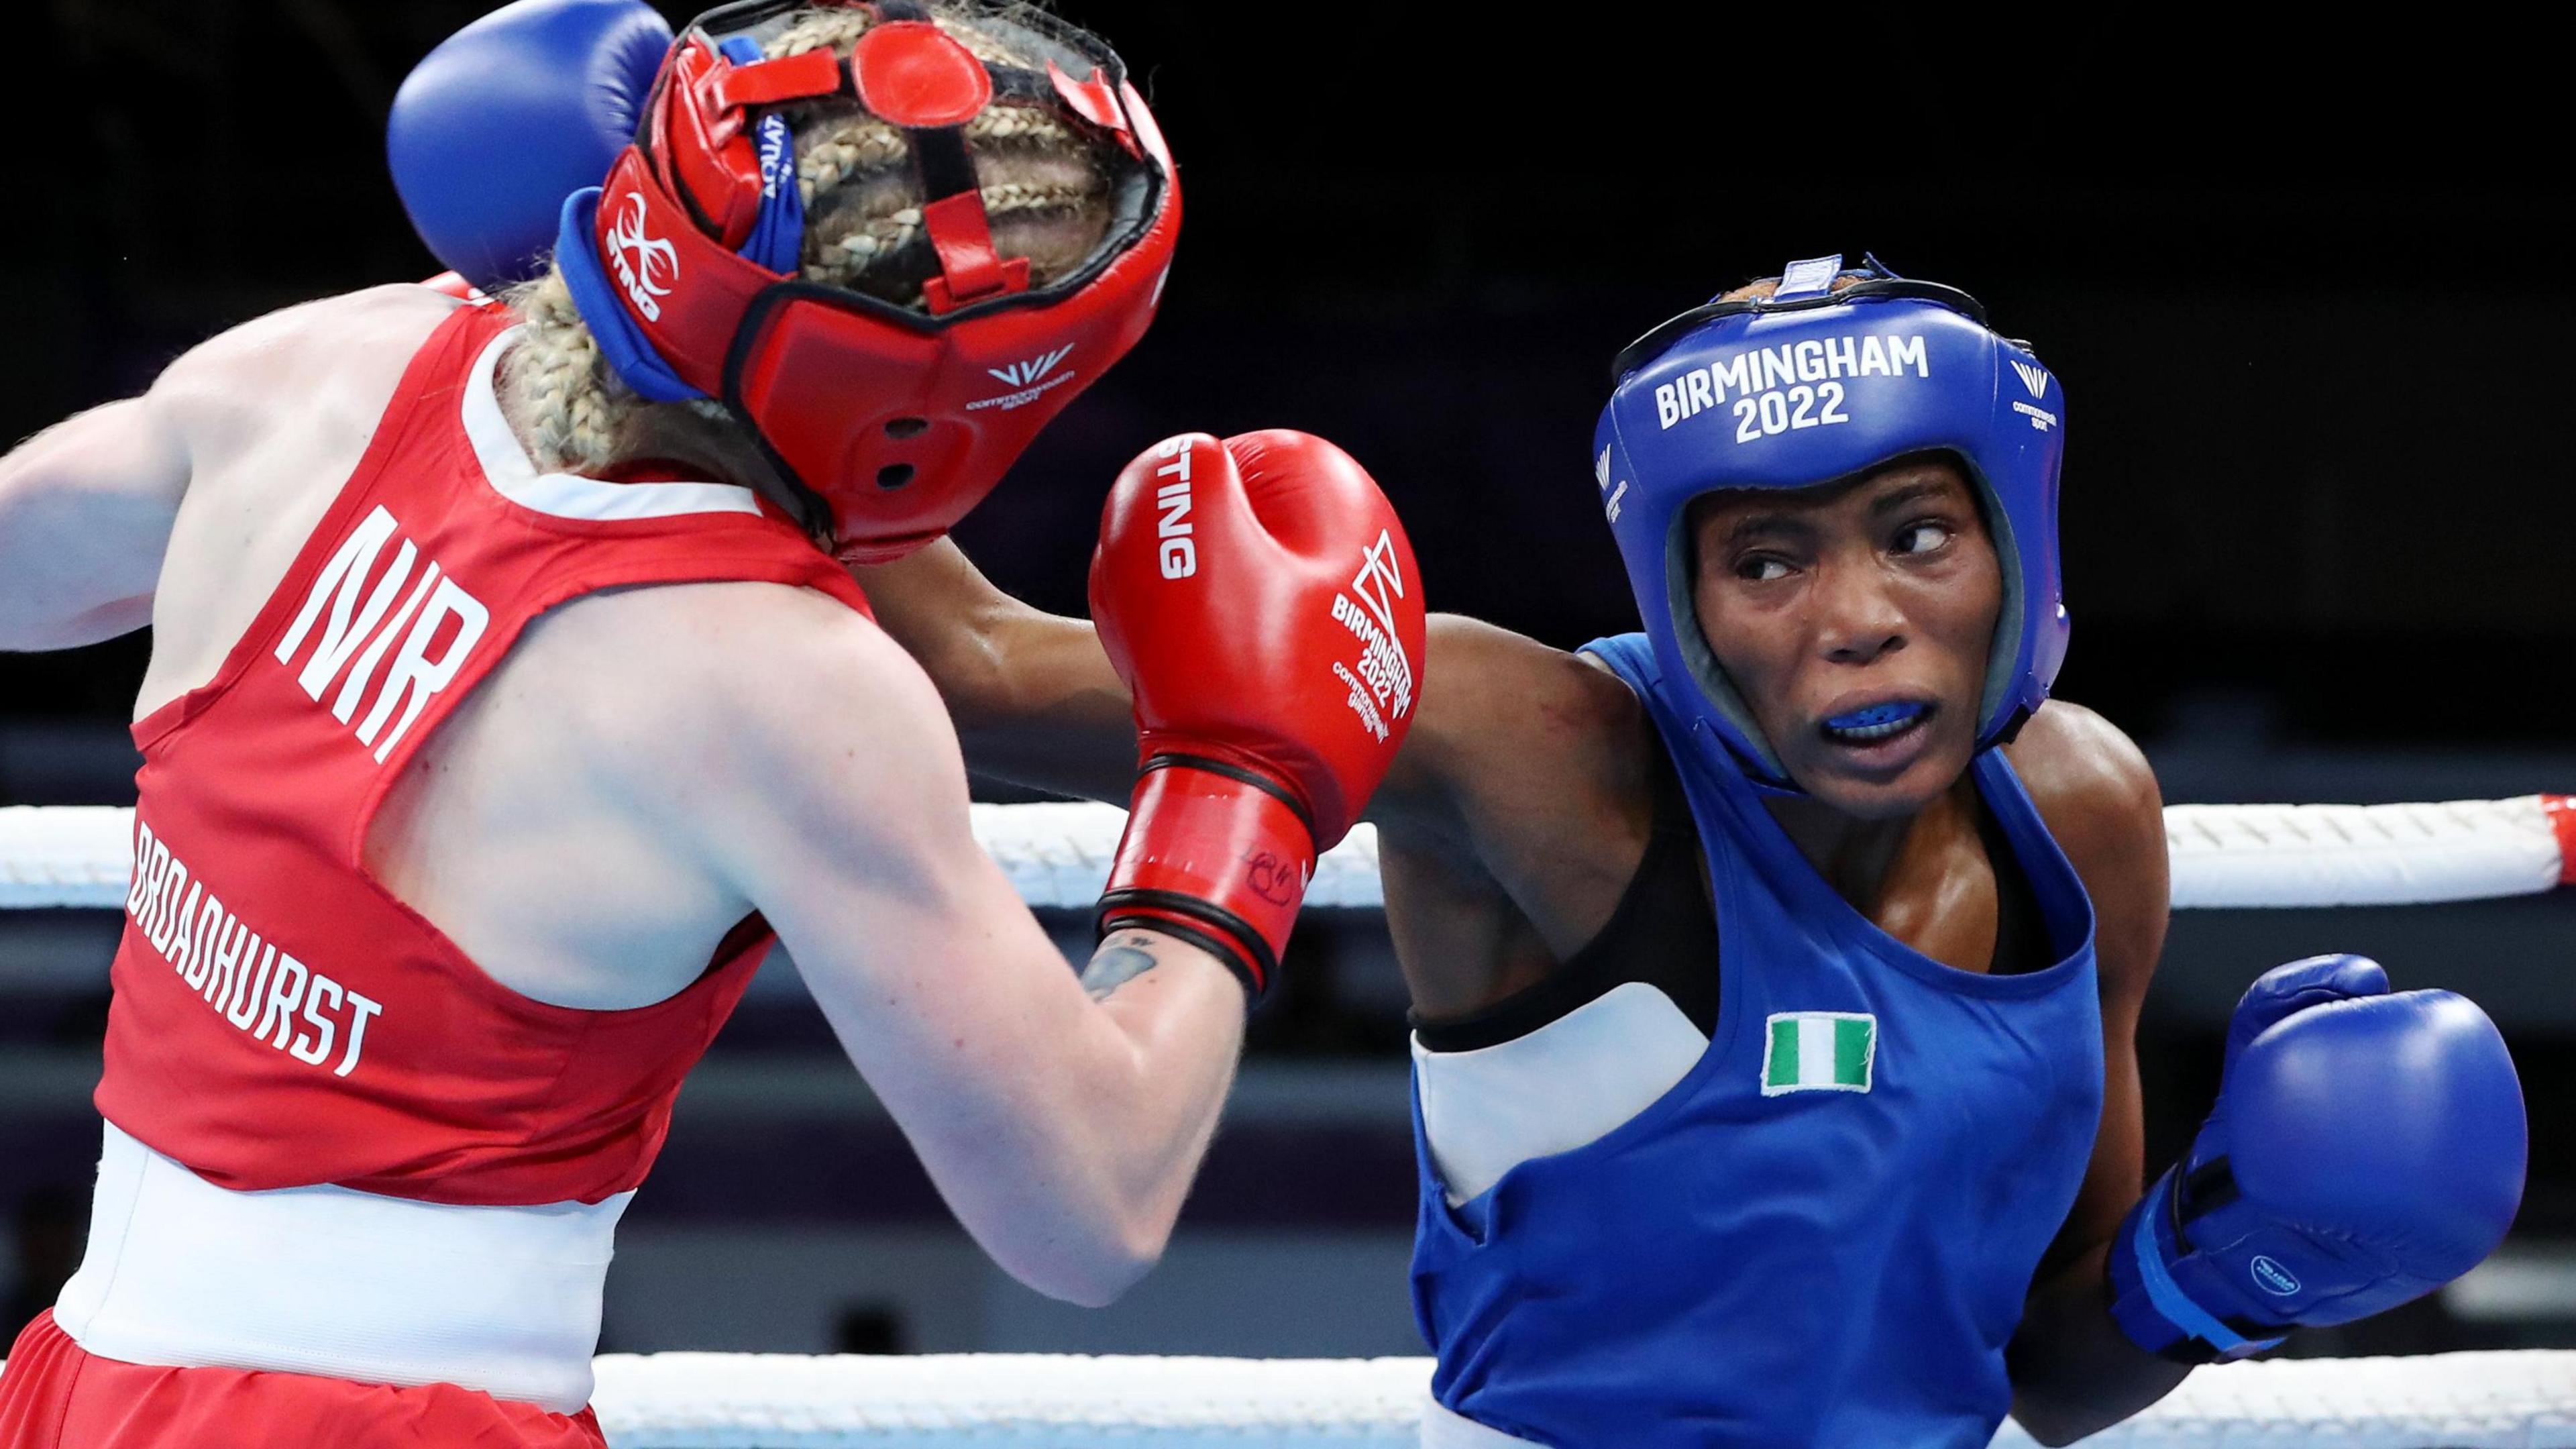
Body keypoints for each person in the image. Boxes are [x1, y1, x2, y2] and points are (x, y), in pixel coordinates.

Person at [0, 2, 1424, 1445]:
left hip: (80, 1385)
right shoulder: (778, 685)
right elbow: (1093, 1207)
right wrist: (1242, 791)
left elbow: (21, 576)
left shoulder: (308, 372)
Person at [843, 258, 2528, 1447]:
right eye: (1771, 563)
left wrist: (2218, 1266)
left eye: (1920, 537)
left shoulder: (2085, 816)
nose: (1860, 622)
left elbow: (2044, 1373)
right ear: (1683, 601)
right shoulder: (1550, 760)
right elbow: (980, 668)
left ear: (2017, 547)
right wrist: (722, 340)